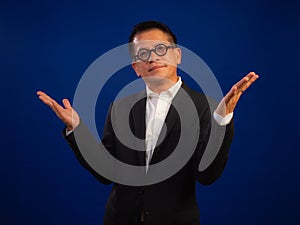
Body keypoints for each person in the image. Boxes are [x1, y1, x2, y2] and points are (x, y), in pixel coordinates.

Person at [37, 21, 259, 225]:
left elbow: (207, 175)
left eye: (160, 49)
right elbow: (105, 172)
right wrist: (77, 129)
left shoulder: (206, 107)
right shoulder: (121, 106)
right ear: (136, 68)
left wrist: (222, 119)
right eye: (143, 54)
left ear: (177, 55)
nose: (152, 58)